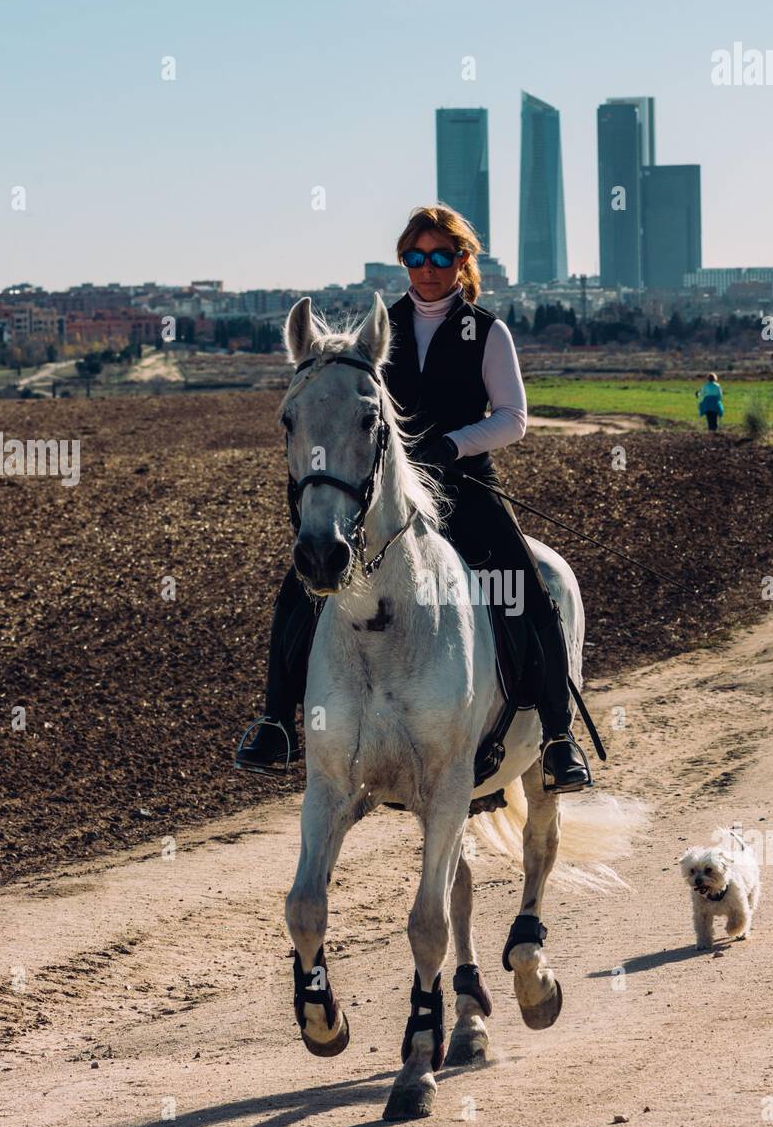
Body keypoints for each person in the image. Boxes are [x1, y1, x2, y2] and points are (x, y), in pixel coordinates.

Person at [235, 203, 593, 793]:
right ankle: (276, 723)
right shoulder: (381, 331)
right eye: (417, 257)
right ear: (404, 260)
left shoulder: (487, 330)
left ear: (461, 262)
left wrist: (453, 446)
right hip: (386, 497)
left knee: (525, 590)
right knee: (300, 589)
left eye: (441, 256)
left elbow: (513, 418)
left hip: (464, 488)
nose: (428, 268)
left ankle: (556, 736)